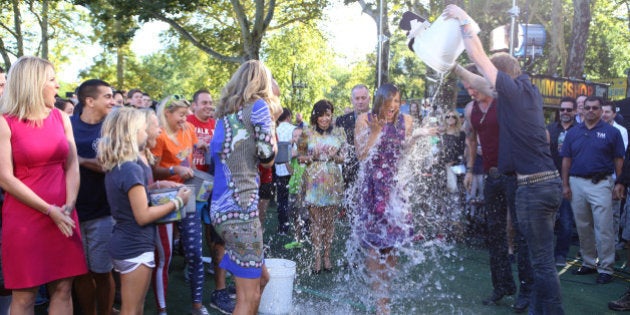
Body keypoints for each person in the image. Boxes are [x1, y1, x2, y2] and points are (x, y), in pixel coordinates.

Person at [445, 5, 563, 313]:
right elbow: (482, 81)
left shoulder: (511, 90)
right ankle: (539, 307)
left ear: (504, 78)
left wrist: (464, 20)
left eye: (492, 77)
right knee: (542, 260)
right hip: (543, 184)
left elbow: (481, 60)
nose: (486, 82)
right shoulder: (526, 90)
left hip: (534, 188)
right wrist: (454, 67)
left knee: (541, 263)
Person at [0, 55, 87, 314]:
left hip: (65, 214)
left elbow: (72, 165)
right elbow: (5, 178)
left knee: (63, 290)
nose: (58, 86)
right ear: (33, 83)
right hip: (26, 219)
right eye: (52, 80)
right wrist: (50, 210)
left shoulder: (61, 117)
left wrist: (69, 205)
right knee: (24, 297)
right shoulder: (5, 122)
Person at [98, 107, 192, 315]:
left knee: (136, 307)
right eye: (143, 128)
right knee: (132, 309)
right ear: (132, 133)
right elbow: (142, 216)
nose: (148, 132)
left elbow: (130, 197)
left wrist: (154, 188)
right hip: (134, 245)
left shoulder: (122, 165)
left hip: (127, 242)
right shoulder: (131, 167)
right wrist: (177, 201)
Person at [459, 63, 532, 312]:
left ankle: (527, 290)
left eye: (473, 85)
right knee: (495, 232)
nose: (471, 91)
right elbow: (471, 139)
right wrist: (470, 170)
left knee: (520, 233)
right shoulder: (470, 109)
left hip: (514, 175)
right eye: (467, 87)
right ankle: (502, 285)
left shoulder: (505, 101)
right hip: (491, 176)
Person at [209, 60, 281, 314]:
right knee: (247, 297)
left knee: (262, 280)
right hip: (241, 211)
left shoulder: (224, 115)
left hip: (220, 208)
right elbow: (267, 157)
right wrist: (273, 122)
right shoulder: (259, 108)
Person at [353, 83, 414, 314]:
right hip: (372, 188)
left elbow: (404, 154)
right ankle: (381, 303)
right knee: (373, 245)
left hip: (394, 189)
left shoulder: (406, 121)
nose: (393, 106)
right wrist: (376, 132)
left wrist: (417, 138)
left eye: (397, 101)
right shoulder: (365, 120)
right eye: (389, 102)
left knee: (392, 245)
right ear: (380, 101)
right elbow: (361, 156)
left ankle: (385, 291)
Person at [151, 96, 208, 315]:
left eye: (186, 114)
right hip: (165, 196)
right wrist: (174, 170)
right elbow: (153, 171)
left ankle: (197, 305)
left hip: (188, 193)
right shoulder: (159, 136)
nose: (185, 119)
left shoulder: (189, 129)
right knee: (164, 256)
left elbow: (191, 159)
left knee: (194, 251)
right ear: (167, 113)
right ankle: (162, 309)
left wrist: (193, 173)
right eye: (181, 115)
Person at [561, 96, 624, 285]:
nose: (590, 111)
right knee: (582, 225)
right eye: (587, 107)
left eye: (595, 108)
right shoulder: (573, 133)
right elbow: (566, 160)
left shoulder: (612, 132)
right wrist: (565, 184)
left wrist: (619, 183)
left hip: (601, 183)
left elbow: (619, 160)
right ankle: (588, 263)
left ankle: (606, 268)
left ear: (600, 110)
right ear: (582, 110)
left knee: (604, 227)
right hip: (576, 182)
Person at [186, 89, 234, 314]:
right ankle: (192, 266)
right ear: (194, 105)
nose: (208, 106)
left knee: (216, 237)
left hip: (214, 185)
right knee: (193, 239)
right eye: (204, 103)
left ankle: (219, 288)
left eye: (210, 103)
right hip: (190, 186)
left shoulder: (217, 124)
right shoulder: (186, 123)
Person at [71, 79, 116, 315]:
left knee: (102, 270)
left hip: (103, 210)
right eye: (107, 96)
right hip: (72, 210)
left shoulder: (112, 127)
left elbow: (110, 164)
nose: (112, 101)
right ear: (89, 101)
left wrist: (79, 161)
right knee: (80, 272)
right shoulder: (67, 125)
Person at [297, 100, 346, 273]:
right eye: (321, 115)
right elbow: (299, 157)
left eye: (328, 114)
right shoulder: (307, 132)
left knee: (329, 222)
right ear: (315, 116)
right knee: (316, 222)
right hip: (314, 182)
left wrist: (335, 156)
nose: (324, 118)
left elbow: (344, 157)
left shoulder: (339, 132)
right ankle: (317, 257)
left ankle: (327, 256)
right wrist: (311, 156)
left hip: (332, 181)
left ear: (332, 115)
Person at [546, 97, 578, 267]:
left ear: (575, 111)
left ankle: (560, 255)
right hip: (549, 180)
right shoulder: (550, 129)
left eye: (568, 109)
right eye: (562, 110)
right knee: (547, 220)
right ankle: (545, 253)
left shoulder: (580, 130)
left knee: (566, 220)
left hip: (570, 181)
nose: (565, 112)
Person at [336, 84, 370, 191]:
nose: (360, 101)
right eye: (357, 98)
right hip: (350, 175)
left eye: (363, 98)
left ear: (369, 99)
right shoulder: (342, 121)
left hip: (372, 174)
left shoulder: (378, 119)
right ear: (352, 100)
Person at [275, 107, 296, 234]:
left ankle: (283, 226)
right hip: (294, 169)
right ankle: (299, 227)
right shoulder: (294, 129)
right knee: (296, 199)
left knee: (282, 200)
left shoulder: (274, 131)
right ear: (288, 117)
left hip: (279, 170)